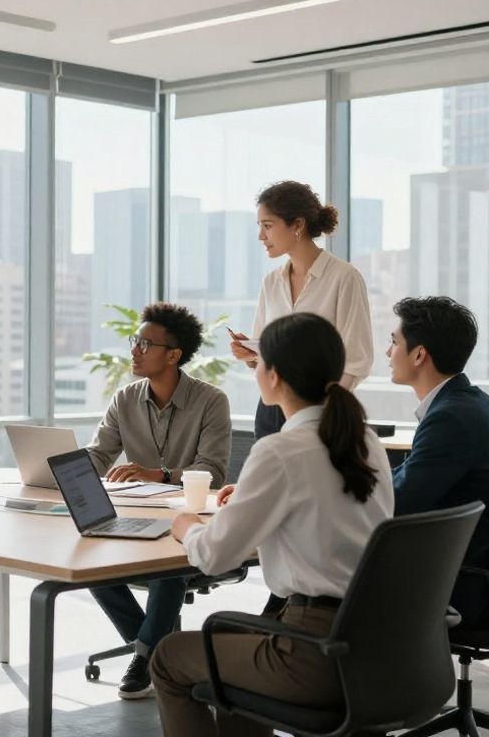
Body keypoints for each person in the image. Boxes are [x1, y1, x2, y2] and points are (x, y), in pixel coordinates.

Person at [152, 312, 394, 737]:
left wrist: (186, 525)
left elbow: (213, 556)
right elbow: (319, 513)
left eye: (258, 363)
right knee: (230, 638)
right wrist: (245, 501)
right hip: (377, 643)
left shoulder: (280, 450)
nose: (255, 371)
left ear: (275, 376)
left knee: (169, 657)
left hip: (314, 653)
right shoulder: (364, 440)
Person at [84, 302, 231, 700]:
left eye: (145, 344)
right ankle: (155, 650)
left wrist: (160, 475)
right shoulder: (125, 399)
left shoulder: (210, 401)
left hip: (191, 520)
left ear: (173, 355)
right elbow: (98, 456)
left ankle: (145, 655)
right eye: (136, 341)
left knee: (170, 566)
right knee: (87, 559)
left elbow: (213, 472)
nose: (135, 350)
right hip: (134, 515)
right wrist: (63, 470)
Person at [387, 296, 489, 630]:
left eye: (393, 343)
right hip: (482, 570)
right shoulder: (474, 403)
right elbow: (406, 479)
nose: (387, 354)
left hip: (462, 585)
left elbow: (400, 501)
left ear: (419, 355)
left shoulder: (451, 418)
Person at [228, 181, 373, 439]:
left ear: (297, 225)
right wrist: (250, 354)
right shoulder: (272, 281)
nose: (261, 236)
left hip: (321, 410)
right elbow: (264, 351)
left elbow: (357, 358)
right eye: (259, 226)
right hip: (271, 408)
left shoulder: (344, 277)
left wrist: (322, 407)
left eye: (268, 226)